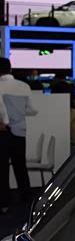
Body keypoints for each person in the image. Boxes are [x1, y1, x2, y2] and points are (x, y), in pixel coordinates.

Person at [0, 57, 38, 214]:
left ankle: (4, 203)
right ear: (10, 69)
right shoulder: (24, 86)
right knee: (20, 166)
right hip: (20, 131)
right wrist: (19, 113)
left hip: (3, 131)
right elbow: (32, 110)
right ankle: (26, 200)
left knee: (2, 168)